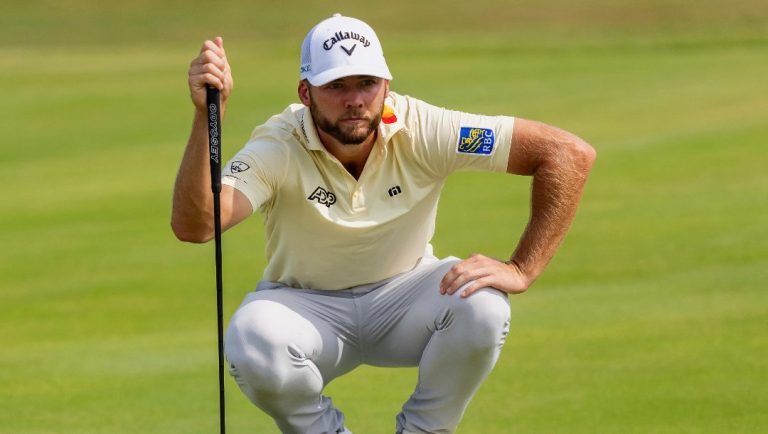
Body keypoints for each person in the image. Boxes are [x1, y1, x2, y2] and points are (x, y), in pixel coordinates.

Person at [172, 13, 595, 434]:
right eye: (336, 86)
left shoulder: (427, 128)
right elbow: (198, 225)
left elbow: (567, 154)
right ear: (306, 92)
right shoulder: (279, 144)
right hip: (307, 309)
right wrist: (207, 115)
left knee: (482, 305)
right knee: (252, 338)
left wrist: (522, 268)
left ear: (386, 87)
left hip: (406, 297)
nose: (354, 99)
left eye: (367, 83)